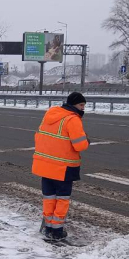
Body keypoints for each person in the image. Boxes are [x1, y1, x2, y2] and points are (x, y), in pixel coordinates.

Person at [32, 92, 90, 241]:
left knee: (49, 197)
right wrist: (87, 141)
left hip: (45, 165)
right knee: (62, 199)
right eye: (81, 105)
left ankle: (48, 227)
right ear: (73, 105)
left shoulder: (50, 114)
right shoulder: (73, 119)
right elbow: (80, 145)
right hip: (63, 168)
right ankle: (57, 231)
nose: (83, 109)